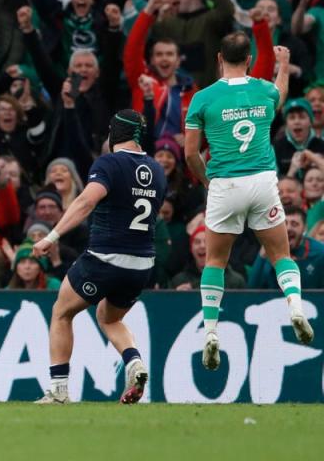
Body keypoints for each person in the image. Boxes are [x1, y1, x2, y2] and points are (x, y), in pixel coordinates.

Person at [184, 34, 314, 373]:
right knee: (281, 255)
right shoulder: (262, 90)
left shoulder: (203, 98)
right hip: (262, 182)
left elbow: (190, 153)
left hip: (225, 183)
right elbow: (281, 95)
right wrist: (283, 66)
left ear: (218, 58)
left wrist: (207, 180)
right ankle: (296, 307)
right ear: (251, 60)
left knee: (215, 259)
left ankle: (211, 330)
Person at [34, 109, 165, 405]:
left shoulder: (109, 163)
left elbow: (85, 202)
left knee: (62, 312)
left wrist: (52, 236)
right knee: (108, 317)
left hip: (105, 258)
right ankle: (134, 362)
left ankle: (59, 391)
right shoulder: (157, 170)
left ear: (113, 134)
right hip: (142, 264)